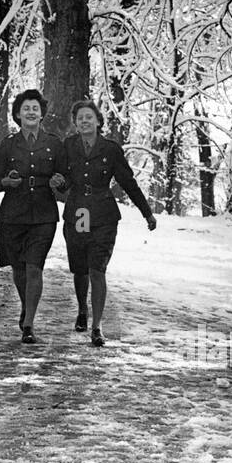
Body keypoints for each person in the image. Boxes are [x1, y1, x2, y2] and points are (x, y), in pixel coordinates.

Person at [58, 98, 157, 347]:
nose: (84, 121)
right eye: (80, 118)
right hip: (79, 211)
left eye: (89, 117)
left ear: (98, 121)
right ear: (75, 123)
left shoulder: (111, 149)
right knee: (80, 267)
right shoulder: (68, 146)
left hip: (103, 215)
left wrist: (147, 213)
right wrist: (59, 183)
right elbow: (64, 180)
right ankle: (83, 309)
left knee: (97, 269)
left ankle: (97, 326)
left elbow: (128, 182)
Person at [0, 89, 68, 344]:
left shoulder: (54, 143)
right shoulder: (8, 144)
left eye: (35, 108)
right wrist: (5, 182)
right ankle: (26, 306)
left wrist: (61, 182)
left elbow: (66, 180)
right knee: (19, 269)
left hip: (44, 214)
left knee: (35, 267)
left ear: (42, 113)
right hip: (13, 213)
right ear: (18, 114)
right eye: (26, 109)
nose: (31, 112)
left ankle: (29, 323)